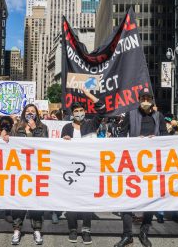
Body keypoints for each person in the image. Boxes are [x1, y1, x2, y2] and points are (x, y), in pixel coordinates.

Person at [115, 87, 167, 247]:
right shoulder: (130, 115)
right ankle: (127, 234)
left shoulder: (159, 116)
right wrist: (135, 140)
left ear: (151, 100)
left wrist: (156, 139)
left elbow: (166, 137)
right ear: (139, 99)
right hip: (132, 162)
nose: (145, 100)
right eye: (142, 98)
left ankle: (144, 232)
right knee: (127, 198)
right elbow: (122, 135)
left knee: (150, 199)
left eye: (148, 98)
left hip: (152, 163)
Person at [61, 87, 105, 245]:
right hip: (71, 169)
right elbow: (59, 149)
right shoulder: (66, 128)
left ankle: (86, 230)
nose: (79, 112)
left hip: (88, 169)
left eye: (81, 110)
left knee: (87, 201)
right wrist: (64, 140)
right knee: (71, 201)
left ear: (85, 111)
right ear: (72, 114)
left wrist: (87, 94)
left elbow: (102, 108)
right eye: (76, 110)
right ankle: (72, 229)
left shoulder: (92, 124)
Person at [3, 104, 48, 245]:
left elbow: (45, 144)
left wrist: (35, 129)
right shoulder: (16, 127)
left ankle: (37, 229)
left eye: (32, 111)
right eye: (27, 111)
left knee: (36, 201)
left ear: (37, 114)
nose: (30, 113)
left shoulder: (43, 127)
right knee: (19, 200)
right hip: (20, 167)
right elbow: (10, 144)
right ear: (23, 113)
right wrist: (5, 138)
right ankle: (17, 229)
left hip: (36, 168)